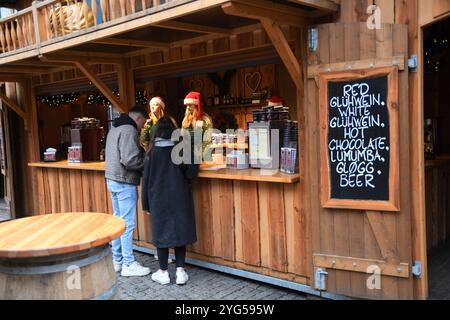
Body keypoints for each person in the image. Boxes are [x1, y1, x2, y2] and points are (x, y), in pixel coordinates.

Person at [142, 116, 199, 285]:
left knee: (161, 233)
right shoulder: (182, 148)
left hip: (157, 198)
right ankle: (180, 271)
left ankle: (163, 272)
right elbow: (192, 173)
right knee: (179, 231)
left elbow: (145, 181)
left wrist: (145, 204)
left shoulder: (151, 152)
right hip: (180, 196)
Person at [105, 106, 151, 277]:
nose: (142, 127)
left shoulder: (115, 127)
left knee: (118, 222)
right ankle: (128, 263)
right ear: (139, 119)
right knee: (127, 224)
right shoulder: (129, 129)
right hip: (124, 181)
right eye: (143, 123)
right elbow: (130, 160)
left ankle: (117, 260)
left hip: (112, 179)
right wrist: (147, 164)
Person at [181, 91, 214, 161]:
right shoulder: (185, 119)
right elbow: (182, 137)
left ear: (196, 105)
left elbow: (207, 141)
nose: (188, 107)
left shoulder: (205, 119)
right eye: (187, 105)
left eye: (190, 105)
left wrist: (201, 157)